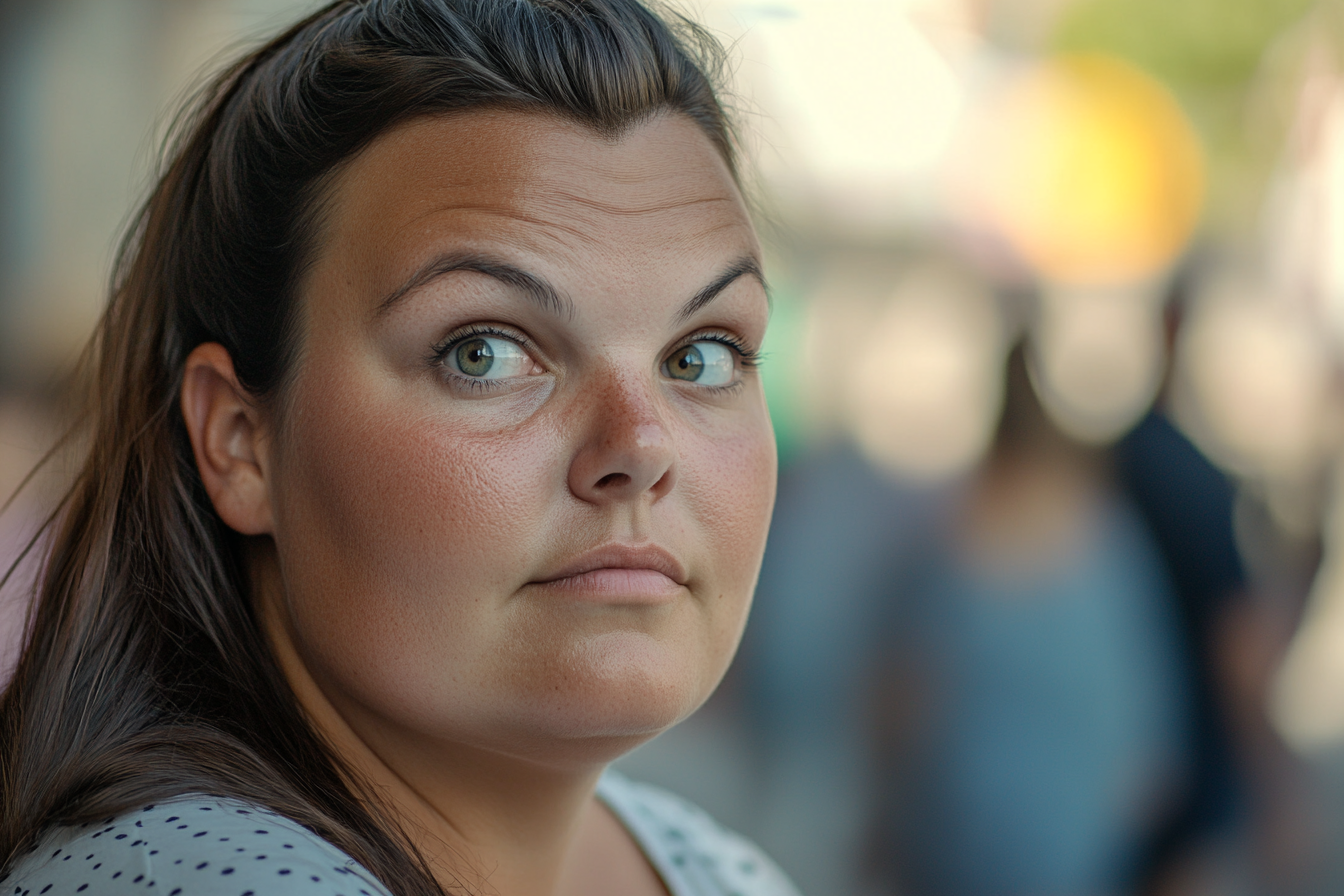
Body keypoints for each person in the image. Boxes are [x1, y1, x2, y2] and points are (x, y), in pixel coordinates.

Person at [0, 2, 793, 895]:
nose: (641, 446)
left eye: (702, 356)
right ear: (238, 443)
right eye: (482, 353)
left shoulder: (718, 870)